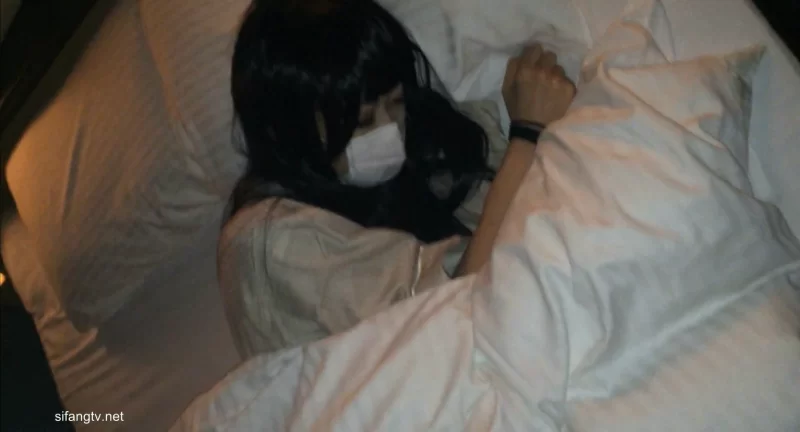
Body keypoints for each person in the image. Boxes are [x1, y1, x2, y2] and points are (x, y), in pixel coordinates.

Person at [220, 0, 576, 357]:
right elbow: (459, 316)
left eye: (395, 103)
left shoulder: (399, 175)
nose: (389, 131)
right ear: (290, 128)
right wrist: (527, 136)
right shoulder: (272, 243)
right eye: (362, 121)